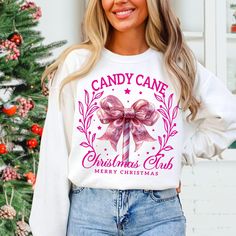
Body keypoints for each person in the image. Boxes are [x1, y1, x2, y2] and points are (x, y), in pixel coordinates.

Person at [29, 0, 236, 235]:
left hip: (158, 218)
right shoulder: (78, 64)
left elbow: (227, 117)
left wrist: (179, 153)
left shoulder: (174, 63)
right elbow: (55, 155)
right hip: (89, 216)